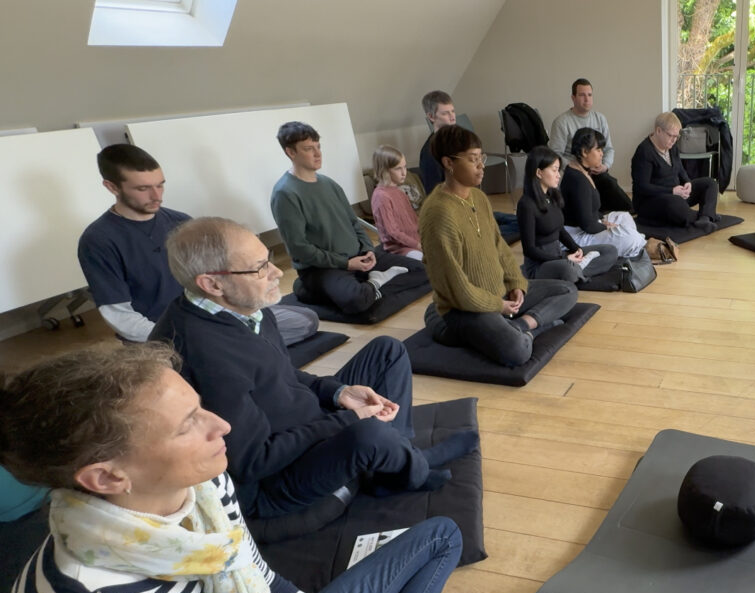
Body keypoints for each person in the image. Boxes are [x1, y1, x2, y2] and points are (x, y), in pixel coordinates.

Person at [0, 342, 464, 593]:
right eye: (188, 425)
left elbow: (261, 582)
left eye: (200, 407)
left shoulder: (204, 485)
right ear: (107, 478)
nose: (221, 425)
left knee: (442, 536)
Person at [152, 216, 476, 519]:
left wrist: (338, 393)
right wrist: (345, 420)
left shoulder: (245, 308)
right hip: (278, 479)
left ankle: (396, 461)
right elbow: (255, 462)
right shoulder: (201, 354)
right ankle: (406, 466)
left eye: (269, 260)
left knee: (387, 351)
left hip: (303, 424)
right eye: (260, 268)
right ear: (212, 284)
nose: (277, 273)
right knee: (368, 432)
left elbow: (286, 374)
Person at [78, 144, 319, 345]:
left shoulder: (180, 221)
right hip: (160, 335)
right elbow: (120, 316)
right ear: (111, 187)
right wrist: (183, 337)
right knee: (232, 345)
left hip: (208, 316)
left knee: (304, 320)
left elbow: (214, 281)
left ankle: (231, 345)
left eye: (160, 185)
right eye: (143, 188)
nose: (156, 196)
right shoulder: (98, 241)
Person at [420, 126, 578, 367]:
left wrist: (516, 284)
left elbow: (500, 248)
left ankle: (521, 326)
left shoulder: (479, 198)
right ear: (448, 163)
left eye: (481, 158)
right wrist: (498, 306)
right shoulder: (438, 213)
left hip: (499, 295)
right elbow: (456, 286)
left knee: (567, 291)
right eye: (473, 160)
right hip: (464, 309)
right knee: (518, 351)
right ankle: (525, 330)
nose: (481, 166)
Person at [270, 121, 422, 316]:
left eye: (318, 147)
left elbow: (354, 222)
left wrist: (368, 250)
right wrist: (347, 264)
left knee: (420, 270)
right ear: (291, 153)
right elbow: (300, 249)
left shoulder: (329, 184)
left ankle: (368, 286)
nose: (318, 154)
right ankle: (372, 283)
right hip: (324, 268)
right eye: (309, 149)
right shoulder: (285, 194)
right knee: (355, 301)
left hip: (358, 258)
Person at [517, 146, 620, 283]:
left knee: (610, 251)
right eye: (554, 170)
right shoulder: (526, 205)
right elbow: (529, 250)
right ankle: (576, 273)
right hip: (540, 265)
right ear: (539, 173)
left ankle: (577, 272)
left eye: (558, 170)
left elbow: (560, 231)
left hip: (559, 255)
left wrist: (576, 248)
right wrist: (564, 260)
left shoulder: (552, 196)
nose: (558, 175)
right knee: (567, 269)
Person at [560, 128, 648, 260]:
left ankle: (635, 244)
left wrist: (604, 222)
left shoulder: (582, 171)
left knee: (624, 217)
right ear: (584, 152)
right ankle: (636, 245)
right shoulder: (577, 180)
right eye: (598, 149)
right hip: (578, 236)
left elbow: (591, 212)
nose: (602, 154)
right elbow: (587, 225)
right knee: (632, 237)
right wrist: (605, 226)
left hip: (589, 226)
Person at [549, 78, 632, 213]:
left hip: (597, 170)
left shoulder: (600, 119)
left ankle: (629, 212)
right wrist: (577, 168)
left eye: (589, 95)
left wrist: (605, 165)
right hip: (574, 173)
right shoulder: (562, 122)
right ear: (573, 98)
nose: (587, 99)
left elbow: (609, 149)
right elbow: (554, 154)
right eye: (582, 95)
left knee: (610, 184)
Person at [630, 112, 720, 232]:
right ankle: (703, 216)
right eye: (671, 136)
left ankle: (704, 218)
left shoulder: (672, 147)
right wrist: (672, 191)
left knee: (710, 183)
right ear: (658, 131)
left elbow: (680, 169)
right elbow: (642, 187)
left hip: (676, 194)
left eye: (676, 137)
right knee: (675, 204)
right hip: (652, 201)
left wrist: (687, 182)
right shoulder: (644, 152)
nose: (674, 140)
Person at [370, 145, 424, 261]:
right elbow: (392, 232)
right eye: (398, 168)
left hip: (415, 242)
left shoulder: (399, 192)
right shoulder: (381, 196)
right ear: (384, 170)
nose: (404, 172)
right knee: (425, 261)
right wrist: (418, 245)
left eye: (404, 167)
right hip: (400, 248)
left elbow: (414, 220)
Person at [416, 89, 458, 191]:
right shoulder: (430, 151)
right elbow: (434, 191)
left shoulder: (458, 140)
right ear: (431, 116)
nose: (452, 116)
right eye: (445, 113)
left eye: (453, 111)